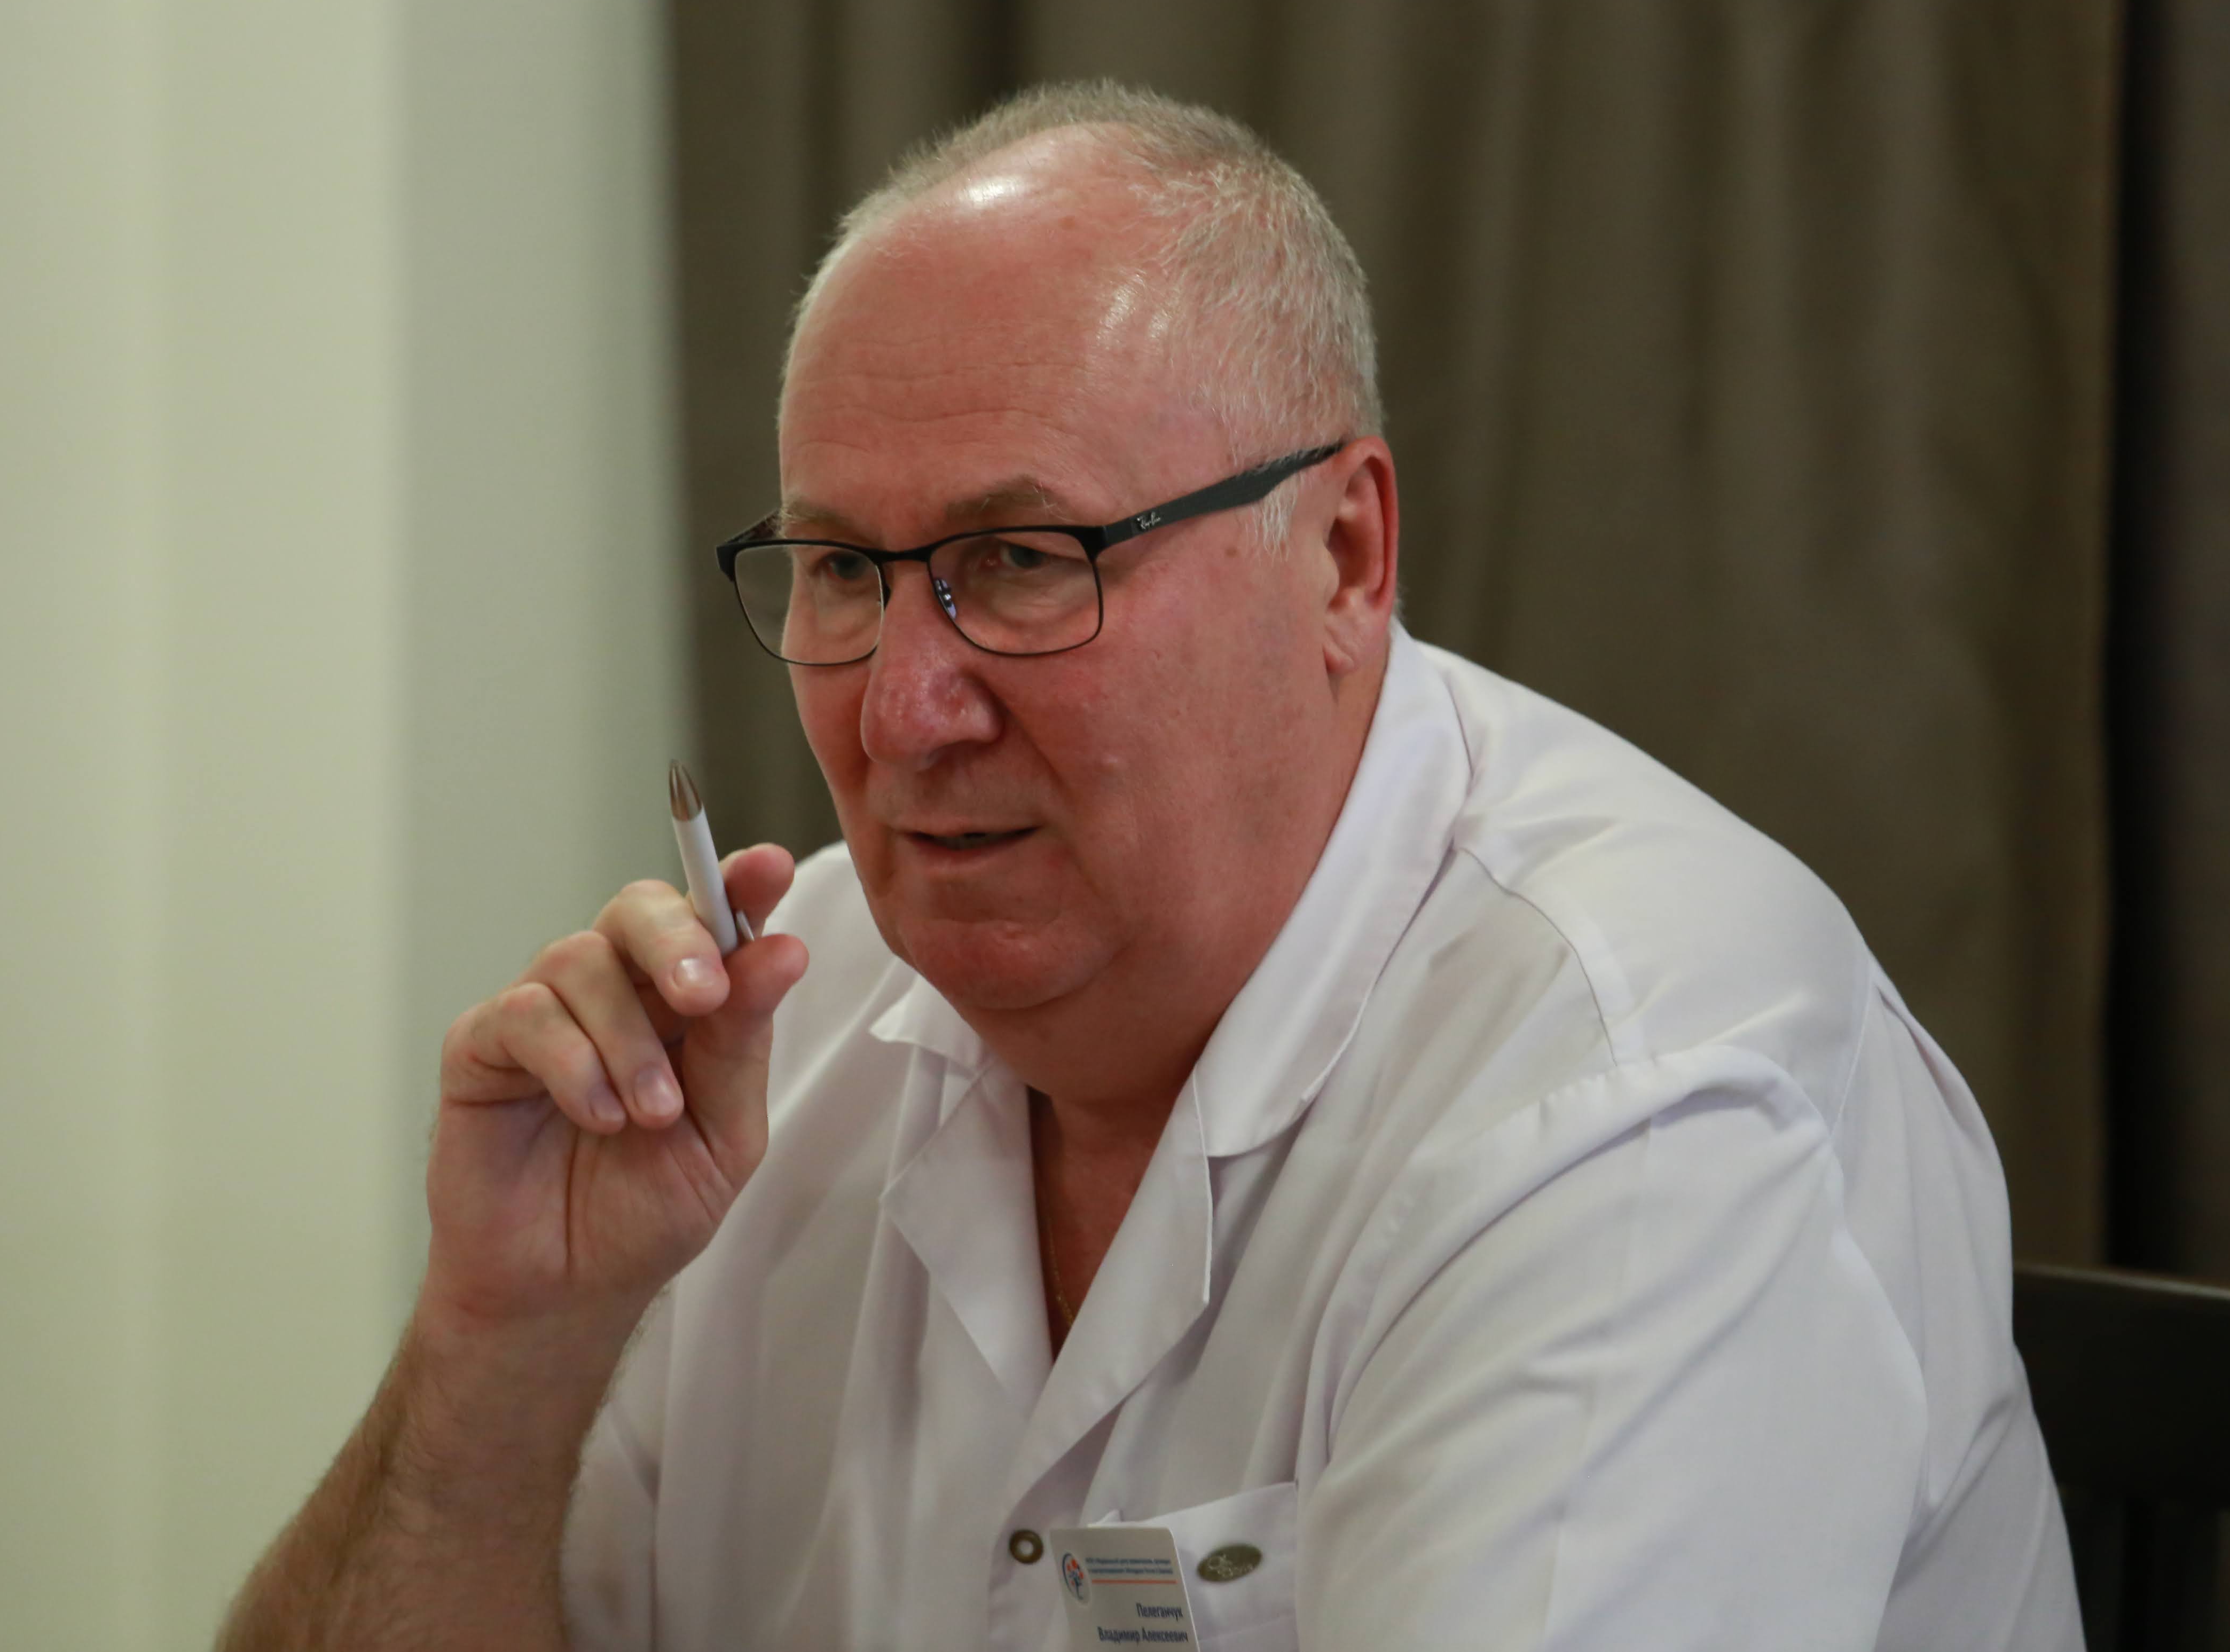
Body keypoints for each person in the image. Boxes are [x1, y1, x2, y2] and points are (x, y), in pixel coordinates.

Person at [221, 81, 2081, 1650]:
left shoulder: (1631, 1090)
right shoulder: (782, 1021)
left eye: (1024, 561)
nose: (904, 709)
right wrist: (500, 1354)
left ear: (1342, 556)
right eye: (845, 572)